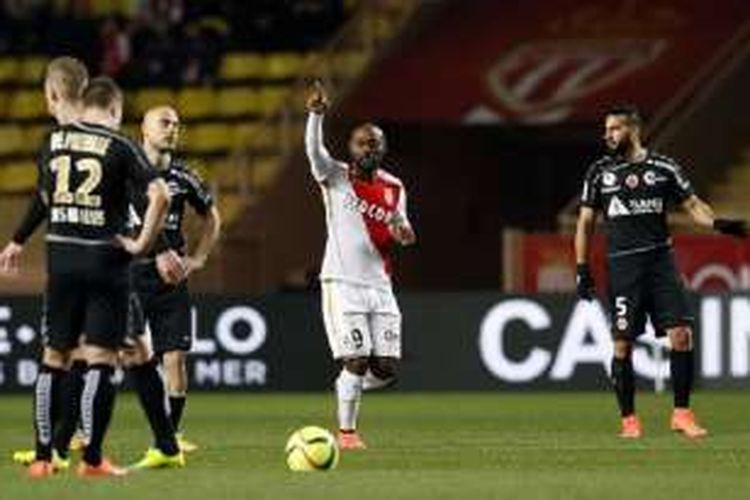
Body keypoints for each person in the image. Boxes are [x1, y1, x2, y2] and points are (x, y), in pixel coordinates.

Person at [23, 76, 170, 478]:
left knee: (54, 358)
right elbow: (161, 195)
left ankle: (43, 458)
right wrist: (141, 244)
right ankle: (92, 461)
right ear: (116, 110)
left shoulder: (52, 140)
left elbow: (47, 198)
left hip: (61, 257)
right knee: (101, 360)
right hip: (106, 261)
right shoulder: (120, 144)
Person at [574, 105, 747, 439]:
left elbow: (693, 204)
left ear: (633, 129)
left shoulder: (663, 167)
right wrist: (582, 268)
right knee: (622, 345)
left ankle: (681, 414)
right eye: (606, 130)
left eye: (614, 129)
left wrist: (718, 223)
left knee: (681, 335)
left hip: (660, 264)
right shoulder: (599, 172)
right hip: (623, 266)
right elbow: (585, 222)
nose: (607, 135)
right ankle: (629, 422)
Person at [304, 82, 415, 450]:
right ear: (351, 147)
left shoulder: (395, 187)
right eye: (363, 142)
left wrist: (403, 232)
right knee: (356, 358)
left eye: (376, 143)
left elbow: (402, 229)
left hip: (380, 285)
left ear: (383, 148)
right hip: (342, 281)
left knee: (383, 368)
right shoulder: (334, 176)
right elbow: (313, 150)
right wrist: (315, 116)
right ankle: (347, 433)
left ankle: (347, 384)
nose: (370, 148)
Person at [126, 105, 221, 464]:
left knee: (175, 357)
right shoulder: (127, 174)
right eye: (164, 123)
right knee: (107, 353)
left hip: (171, 278)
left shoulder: (185, 177)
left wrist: (199, 257)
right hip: (131, 273)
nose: (172, 129)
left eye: (177, 125)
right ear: (144, 129)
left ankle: (170, 437)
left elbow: (211, 216)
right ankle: (79, 430)